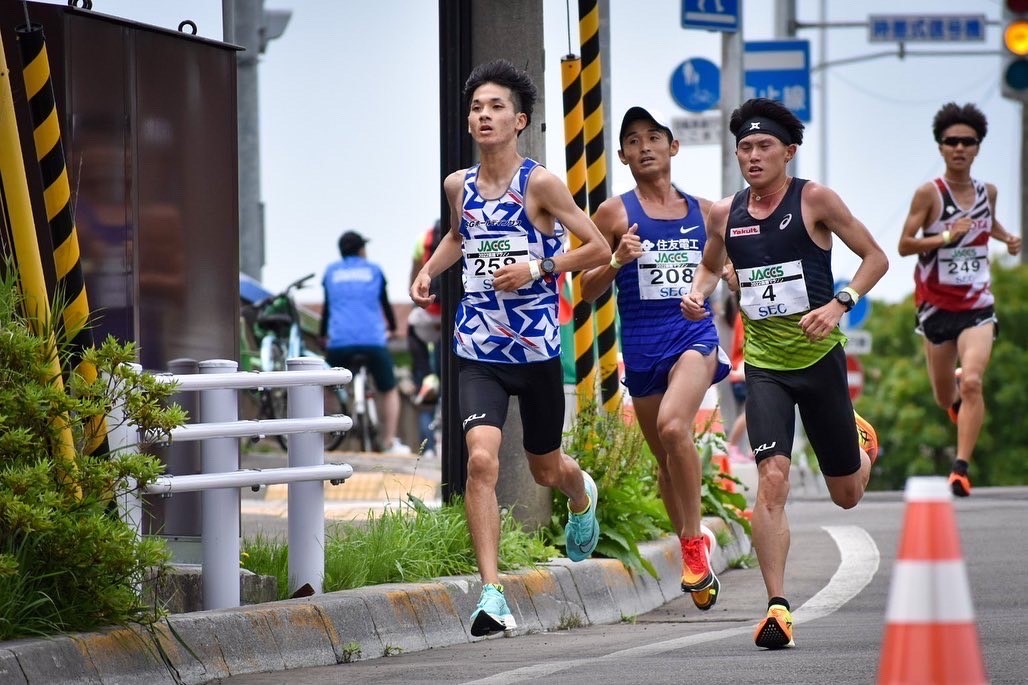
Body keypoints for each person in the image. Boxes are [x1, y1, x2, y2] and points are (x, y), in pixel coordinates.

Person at [409, 58, 610, 638]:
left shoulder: (539, 183)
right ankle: (492, 594)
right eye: (476, 107)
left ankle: (581, 490)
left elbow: (596, 247)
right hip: (478, 348)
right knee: (480, 461)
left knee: (547, 469)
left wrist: (539, 266)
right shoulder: (458, 185)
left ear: (519, 120)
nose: (484, 115)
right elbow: (458, 234)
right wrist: (429, 271)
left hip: (538, 352)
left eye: (496, 107)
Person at [681, 97, 889, 650]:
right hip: (767, 369)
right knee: (771, 478)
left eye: (763, 146)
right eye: (744, 147)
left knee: (846, 494)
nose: (752, 156)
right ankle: (777, 606)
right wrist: (698, 294)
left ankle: (860, 444)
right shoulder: (726, 214)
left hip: (819, 362)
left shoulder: (814, 200)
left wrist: (840, 302)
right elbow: (708, 264)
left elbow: (875, 257)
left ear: (788, 152)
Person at [580, 106, 730, 611]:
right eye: (633, 141)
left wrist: (730, 279)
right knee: (667, 460)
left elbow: (730, 267)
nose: (644, 146)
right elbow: (586, 289)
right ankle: (695, 549)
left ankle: (691, 545)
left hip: (693, 334)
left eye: (653, 137)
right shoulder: (614, 214)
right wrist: (617, 258)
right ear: (622, 156)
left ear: (673, 147)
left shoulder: (708, 212)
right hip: (642, 347)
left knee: (673, 427)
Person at [897, 102, 1021, 498]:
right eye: (952, 141)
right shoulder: (929, 194)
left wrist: (1007, 238)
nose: (959, 148)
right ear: (941, 146)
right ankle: (955, 402)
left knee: (972, 381)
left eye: (967, 141)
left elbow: (989, 223)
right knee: (943, 397)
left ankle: (961, 470)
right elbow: (904, 245)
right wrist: (948, 236)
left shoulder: (989, 192)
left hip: (977, 306)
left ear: (978, 147)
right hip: (935, 308)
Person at [322, 230, 411, 455]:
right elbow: (385, 303)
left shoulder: (331, 272)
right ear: (361, 249)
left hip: (339, 343)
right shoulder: (373, 270)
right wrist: (391, 328)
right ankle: (389, 442)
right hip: (372, 341)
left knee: (326, 388)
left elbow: (327, 309)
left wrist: (324, 335)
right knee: (388, 388)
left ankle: (324, 439)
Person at [407, 220, 445, 458]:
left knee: (425, 387)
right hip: (451, 317)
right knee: (446, 381)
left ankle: (428, 447)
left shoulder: (423, 240)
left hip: (426, 316)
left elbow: (413, 280)